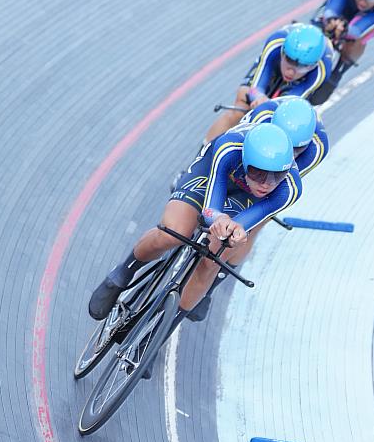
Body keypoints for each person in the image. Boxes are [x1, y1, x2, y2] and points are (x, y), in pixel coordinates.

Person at [88, 123, 303, 339]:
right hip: (211, 176)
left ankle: (158, 336)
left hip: (245, 199)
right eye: (258, 173)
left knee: (211, 261)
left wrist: (236, 231)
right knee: (173, 232)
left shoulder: (289, 188)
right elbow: (210, 209)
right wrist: (217, 218)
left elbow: (247, 222)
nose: (267, 184)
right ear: (246, 161)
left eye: (277, 175)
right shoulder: (228, 149)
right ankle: (122, 274)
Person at [187, 96, 329, 322]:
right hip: (250, 164)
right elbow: (236, 152)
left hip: (267, 183)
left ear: (307, 144)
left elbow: (279, 187)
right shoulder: (262, 116)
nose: (290, 153)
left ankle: (211, 286)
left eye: (297, 149)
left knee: (255, 224)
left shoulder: (316, 148)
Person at [202, 23, 332, 144]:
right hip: (274, 64)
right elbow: (255, 88)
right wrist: (258, 97)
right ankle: (201, 160)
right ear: (283, 52)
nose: (291, 71)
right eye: (289, 60)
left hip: (300, 84)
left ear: (313, 66)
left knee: (282, 125)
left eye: (302, 66)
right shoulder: (275, 44)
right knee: (241, 105)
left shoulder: (321, 70)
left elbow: (289, 104)